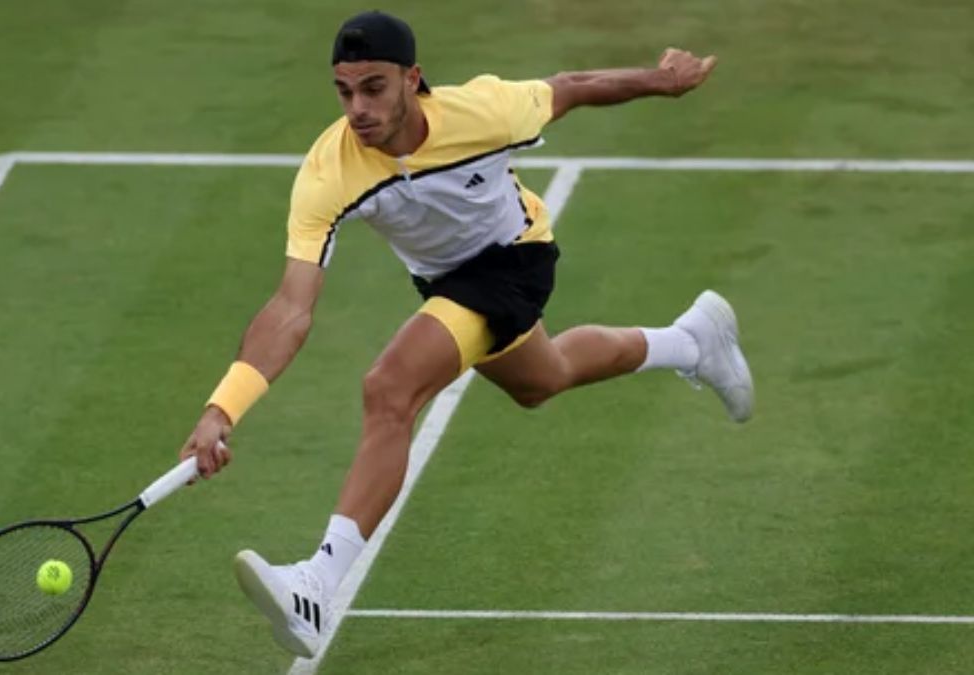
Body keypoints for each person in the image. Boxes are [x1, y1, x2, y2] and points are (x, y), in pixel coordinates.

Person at [178, 10, 751, 658]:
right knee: (545, 376)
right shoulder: (328, 169)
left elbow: (572, 85)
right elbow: (290, 306)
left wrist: (661, 80)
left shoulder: (483, 112)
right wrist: (222, 407)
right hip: (445, 280)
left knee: (388, 389)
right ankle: (694, 340)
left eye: (374, 87)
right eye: (344, 90)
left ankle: (316, 582)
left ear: (412, 79)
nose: (357, 108)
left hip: (514, 257)